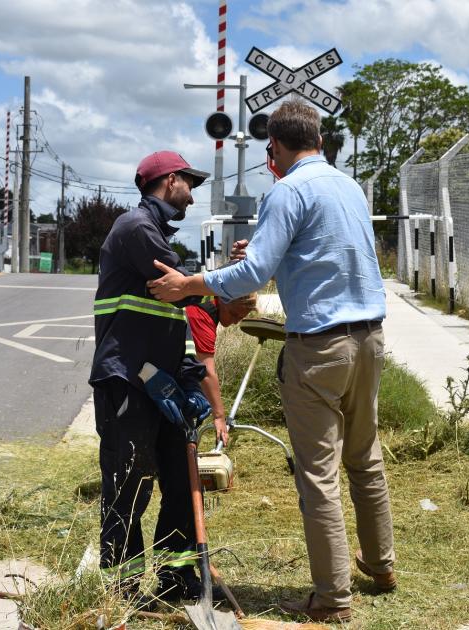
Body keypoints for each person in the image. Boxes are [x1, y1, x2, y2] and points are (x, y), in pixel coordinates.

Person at [147, 100, 396, 624]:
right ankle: (380, 566)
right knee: (365, 457)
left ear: (274, 148)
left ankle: (332, 599)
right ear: (321, 142)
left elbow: (252, 275)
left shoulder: (287, 190)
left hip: (321, 346)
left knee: (319, 473)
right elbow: (327, 254)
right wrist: (262, 251)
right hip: (370, 338)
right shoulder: (349, 187)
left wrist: (188, 284)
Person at [89, 150, 225, 605]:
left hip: (161, 386)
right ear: (169, 181)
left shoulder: (154, 234)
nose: (193, 190)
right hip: (127, 382)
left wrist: (188, 378)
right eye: (190, 181)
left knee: (181, 486)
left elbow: (175, 317)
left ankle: (176, 580)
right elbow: (184, 287)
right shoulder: (136, 229)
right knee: (129, 487)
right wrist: (224, 297)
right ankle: (124, 591)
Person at [186, 293, 258, 445]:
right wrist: (219, 416)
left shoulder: (209, 299)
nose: (235, 321)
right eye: (234, 314)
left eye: (241, 318)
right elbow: (206, 371)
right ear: (223, 299)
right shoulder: (201, 314)